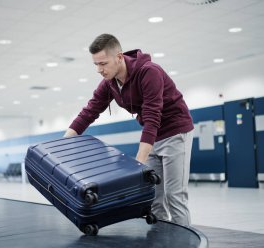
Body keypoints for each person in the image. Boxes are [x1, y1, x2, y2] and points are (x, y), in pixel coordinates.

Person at [63, 33, 194, 226]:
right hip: (153, 137)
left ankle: (184, 245)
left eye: (103, 63)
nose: (99, 69)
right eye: (96, 64)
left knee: (175, 196)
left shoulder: (149, 72)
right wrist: (62, 143)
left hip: (175, 132)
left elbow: (152, 117)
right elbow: (89, 111)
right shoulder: (110, 83)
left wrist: (137, 166)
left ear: (119, 57)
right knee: (154, 196)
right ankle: (162, 242)